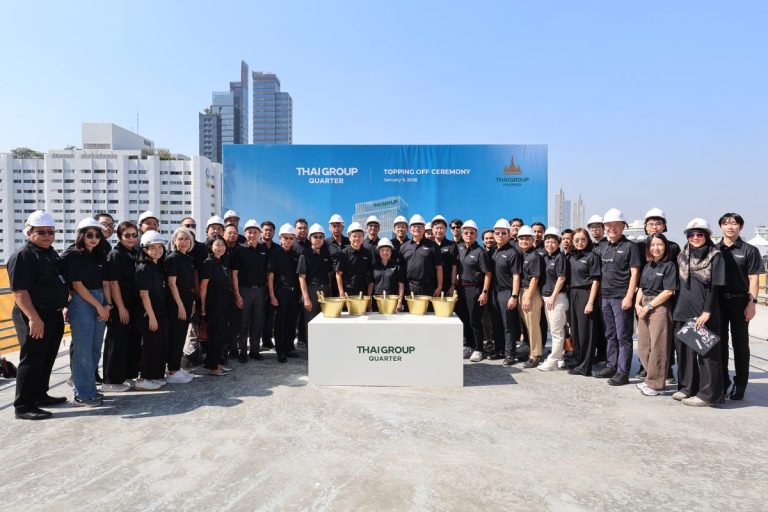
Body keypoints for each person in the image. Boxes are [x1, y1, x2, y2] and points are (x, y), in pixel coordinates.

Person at [9, 211, 69, 420]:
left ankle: (40, 395)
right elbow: (20, 292)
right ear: (29, 232)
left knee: (47, 356)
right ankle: (23, 406)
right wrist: (33, 318)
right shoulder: (23, 256)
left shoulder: (50, 253)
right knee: (32, 359)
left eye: (50, 232)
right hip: (34, 315)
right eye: (41, 232)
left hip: (53, 314)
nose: (47, 235)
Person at [672, 219, 726, 407]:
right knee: (684, 353)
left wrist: (707, 312)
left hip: (704, 312)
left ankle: (708, 395)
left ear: (707, 236)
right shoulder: (682, 255)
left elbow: (715, 287)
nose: (695, 237)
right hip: (683, 309)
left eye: (699, 234)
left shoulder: (715, 256)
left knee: (707, 354)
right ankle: (687, 387)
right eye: (691, 234)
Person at [716, 212, 763, 400]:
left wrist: (752, 303)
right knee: (719, 344)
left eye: (734, 223)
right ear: (721, 227)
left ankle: (740, 384)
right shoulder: (714, 249)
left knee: (741, 345)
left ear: (740, 227)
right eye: (726, 223)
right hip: (718, 302)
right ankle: (722, 381)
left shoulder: (750, 250)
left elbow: (754, 278)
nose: (730, 227)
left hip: (740, 302)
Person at [65, 217, 112, 406]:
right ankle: (82, 394)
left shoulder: (100, 254)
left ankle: (90, 389)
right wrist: (99, 306)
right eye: (90, 235)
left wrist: (107, 304)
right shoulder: (73, 255)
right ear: (81, 235)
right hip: (82, 301)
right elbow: (77, 285)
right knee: (83, 350)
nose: (94, 239)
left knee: (94, 348)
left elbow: (106, 282)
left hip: (100, 298)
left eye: (97, 235)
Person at [594, 209, 641, 386]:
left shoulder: (630, 247)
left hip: (621, 298)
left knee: (623, 336)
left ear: (623, 226)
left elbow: (635, 273)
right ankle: (611, 365)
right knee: (610, 334)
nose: (612, 228)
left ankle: (623, 372)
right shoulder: (603, 247)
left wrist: (629, 296)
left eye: (616, 225)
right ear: (604, 227)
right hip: (605, 298)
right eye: (609, 225)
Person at [635, 208, 680, 381]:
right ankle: (646, 368)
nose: (654, 227)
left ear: (664, 226)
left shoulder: (673, 247)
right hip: (644, 295)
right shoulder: (640, 247)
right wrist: (637, 302)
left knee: (662, 339)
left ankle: (665, 370)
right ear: (645, 226)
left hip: (663, 296)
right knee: (645, 339)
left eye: (658, 223)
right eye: (651, 224)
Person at [102, 221, 142, 392]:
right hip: (121, 305)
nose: (131, 238)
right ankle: (110, 380)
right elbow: (113, 283)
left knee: (130, 341)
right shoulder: (116, 254)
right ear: (119, 236)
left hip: (133, 303)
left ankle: (125, 376)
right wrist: (121, 308)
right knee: (116, 342)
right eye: (127, 235)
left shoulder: (134, 253)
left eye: (134, 235)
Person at [135, 231, 170, 390]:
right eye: (153, 248)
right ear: (145, 249)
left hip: (160, 310)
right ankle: (143, 379)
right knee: (150, 345)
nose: (158, 250)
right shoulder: (144, 268)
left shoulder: (157, 266)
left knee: (159, 344)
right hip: (148, 312)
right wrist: (152, 317)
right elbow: (144, 295)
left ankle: (154, 376)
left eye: (160, 247)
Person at [231, 219, 269, 361]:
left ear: (260, 233)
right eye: (249, 232)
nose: (252, 235)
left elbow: (267, 273)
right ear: (245, 233)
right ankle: (242, 352)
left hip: (260, 290)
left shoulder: (263, 249)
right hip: (244, 291)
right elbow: (234, 274)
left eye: (255, 232)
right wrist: (237, 295)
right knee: (243, 322)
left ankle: (254, 350)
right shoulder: (239, 250)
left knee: (257, 322)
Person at [455, 220, 492, 363]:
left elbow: (488, 273)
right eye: (466, 232)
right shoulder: (459, 248)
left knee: (474, 320)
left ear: (476, 235)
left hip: (475, 289)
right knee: (464, 319)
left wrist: (485, 292)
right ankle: (469, 345)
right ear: (462, 234)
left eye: (472, 233)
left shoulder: (480, 252)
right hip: (461, 289)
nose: (468, 235)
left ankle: (478, 349)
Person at [566, 228, 601, 376]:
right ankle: (578, 361)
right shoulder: (571, 257)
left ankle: (585, 366)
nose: (580, 242)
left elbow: (596, 281)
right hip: (573, 294)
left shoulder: (592, 256)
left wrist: (590, 302)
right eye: (577, 240)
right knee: (575, 330)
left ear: (588, 240)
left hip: (586, 294)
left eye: (583, 239)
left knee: (586, 331)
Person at [488, 219, 522, 366]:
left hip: (506, 292)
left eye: (503, 233)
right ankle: (499, 350)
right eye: (497, 233)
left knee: (508, 325)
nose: (500, 235)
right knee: (496, 324)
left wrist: (514, 296)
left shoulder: (512, 252)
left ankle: (510, 354)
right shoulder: (492, 251)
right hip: (494, 292)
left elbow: (516, 276)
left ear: (509, 234)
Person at [164, 228, 195, 383]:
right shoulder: (172, 258)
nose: (184, 242)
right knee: (175, 336)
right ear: (174, 241)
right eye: (180, 239)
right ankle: (172, 371)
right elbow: (172, 284)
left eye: (187, 239)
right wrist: (180, 306)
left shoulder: (187, 258)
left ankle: (176, 366)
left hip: (187, 299)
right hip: (177, 301)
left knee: (181, 334)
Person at [200, 235, 233, 375]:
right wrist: (202, 306)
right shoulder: (208, 263)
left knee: (221, 334)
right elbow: (203, 287)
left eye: (223, 245)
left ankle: (218, 362)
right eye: (217, 245)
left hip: (223, 303)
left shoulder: (221, 262)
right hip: (213, 304)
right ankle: (213, 367)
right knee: (215, 335)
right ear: (210, 247)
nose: (221, 248)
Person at [268, 224, 302, 363]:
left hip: (294, 292)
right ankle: (280, 351)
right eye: (285, 238)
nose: (288, 240)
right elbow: (270, 276)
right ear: (280, 238)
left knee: (291, 321)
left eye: (291, 238)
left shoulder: (297, 254)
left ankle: (289, 348)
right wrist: (272, 295)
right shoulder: (275, 253)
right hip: (281, 291)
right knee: (280, 322)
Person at [538, 227, 570, 371]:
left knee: (557, 332)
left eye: (553, 242)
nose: (549, 245)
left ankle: (552, 361)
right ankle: (559, 358)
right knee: (555, 330)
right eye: (547, 242)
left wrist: (553, 297)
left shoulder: (560, 257)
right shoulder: (545, 257)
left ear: (558, 243)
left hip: (557, 299)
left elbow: (561, 278)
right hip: (547, 298)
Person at [298, 223, 334, 334]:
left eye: (320, 237)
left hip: (325, 290)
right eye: (315, 237)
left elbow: (328, 275)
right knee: (311, 322)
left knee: (325, 320)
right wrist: (306, 298)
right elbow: (301, 278)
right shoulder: (304, 254)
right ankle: (310, 346)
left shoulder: (326, 254)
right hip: (311, 291)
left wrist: (330, 293)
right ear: (310, 238)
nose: (318, 239)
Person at [517, 226, 545, 368]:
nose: (524, 241)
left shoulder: (534, 256)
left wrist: (528, 297)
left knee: (533, 325)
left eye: (527, 239)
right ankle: (531, 351)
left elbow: (535, 278)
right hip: (523, 291)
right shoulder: (523, 255)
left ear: (532, 240)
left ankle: (535, 355)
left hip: (531, 293)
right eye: (521, 239)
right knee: (528, 325)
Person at [400, 215, 443, 296]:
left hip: (428, 287)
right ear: (410, 229)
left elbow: (439, 267)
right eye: (414, 226)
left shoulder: (433, 246)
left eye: (419, 226)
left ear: (424, 229)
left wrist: (439, 287)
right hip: (409, 287)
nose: (416, 228)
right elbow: (401, 270)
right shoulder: (404, 247)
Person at [587, 214, 608, 363]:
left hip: (605, 290)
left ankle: (606, 354)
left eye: (598, 227)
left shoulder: (607, 245)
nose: (595, 230)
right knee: (597, 324)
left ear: (603, 228)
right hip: (592, 290)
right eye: (592, 227)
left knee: (606, 325)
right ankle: (599, 352)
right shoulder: (591, 246)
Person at [335, 222, 373, 297]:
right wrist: (341, 292)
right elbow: (338, 275)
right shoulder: (343, 254)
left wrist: (369, 296)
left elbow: (370, 276)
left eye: (359, 236)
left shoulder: (367, 253)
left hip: (363, 293)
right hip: (347, 293)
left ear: (363, 237)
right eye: (354, 236)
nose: (357, 239)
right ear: (349, 237)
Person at [369, 238, 405, 311]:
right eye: (382, 250)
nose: (385, 252)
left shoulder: (397, 266)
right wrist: (369, 302)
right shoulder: (374, 266)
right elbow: (371, 285)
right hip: (377, 300)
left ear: (391, 251)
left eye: (387, 250)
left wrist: (399, 302)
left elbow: (401, 285)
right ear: (379, 252)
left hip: (392, 299)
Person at [260, 220, 278, 351]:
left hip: (273, 286)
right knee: (257, 315)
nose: (268, 232)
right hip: (258, 286)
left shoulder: (277, 248)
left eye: (270, 230)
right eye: (265, 230)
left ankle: (267, 340)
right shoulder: (256, 246)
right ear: (261, 231)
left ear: (274, 232)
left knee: (270, 315)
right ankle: (255, 341)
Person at [431, 215, 458, 297]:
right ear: (432, 229)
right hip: (430, 285)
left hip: (447, 285)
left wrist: (453, 285)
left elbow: (454, 267)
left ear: (445, 229)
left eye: (441, 228)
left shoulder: (452, 245)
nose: (439, 230)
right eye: (437, 228)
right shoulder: (428, 245)